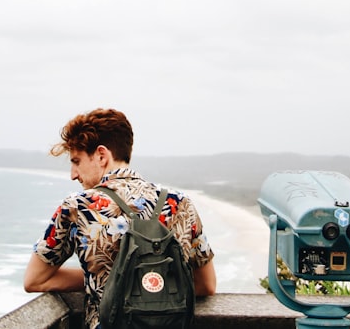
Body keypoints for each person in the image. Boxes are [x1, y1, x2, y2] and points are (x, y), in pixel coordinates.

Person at [24, 108, 217, 328]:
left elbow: (35, 280)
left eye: (76, 161)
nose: (73, 174)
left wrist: (107, 277)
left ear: (101, 155)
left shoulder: (78, 206)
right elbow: (206, 285)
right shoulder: (180, 203)